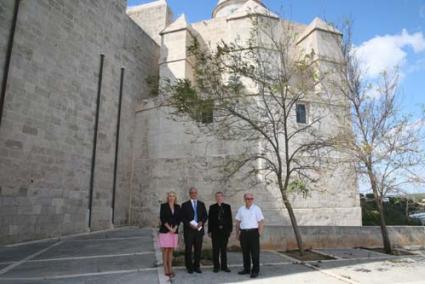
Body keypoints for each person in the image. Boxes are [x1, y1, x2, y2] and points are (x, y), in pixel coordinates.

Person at [235, 193, 264, 279]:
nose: (250, 200)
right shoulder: (241, 209)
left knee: (255, 253)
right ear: (244, 199)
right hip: (243, 233)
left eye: (251, 198)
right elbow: (237, 222)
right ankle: (246, 269)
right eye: (248, 198)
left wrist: (259, 233)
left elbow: (261, 222)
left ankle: (255, 270)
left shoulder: (257, 209)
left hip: (253, 233)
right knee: (245, 252)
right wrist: (237, 234)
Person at [181, 187, 208, 274]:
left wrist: (201, 222)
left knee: (198, 249)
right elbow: (183, 218)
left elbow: (205, 216)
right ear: (190, 194)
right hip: (189, 230)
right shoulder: (185, 205)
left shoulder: (201, 204)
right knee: (188, 249)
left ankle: (197, 266)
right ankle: (189, 267)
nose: (194, 194)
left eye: (195, 192)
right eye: (192, 193)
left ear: (197, 193)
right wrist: (189, 224)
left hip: (199, 230)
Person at [208, 191, 233, 273]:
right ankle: (216, 267)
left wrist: (230, 230)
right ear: (215, 198)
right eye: (217, 196)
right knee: (215, 250)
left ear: (223, 197)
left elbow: (230, 219)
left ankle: (224, 266)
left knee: (223, 250)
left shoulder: (227, 207)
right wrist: (209, 231)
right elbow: (210, 220)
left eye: (220, 196)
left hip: (225, 232)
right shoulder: (212, 207)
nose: (219, 198)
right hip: (215, 231)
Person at [158, 191, 181, 278]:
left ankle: (170, 268)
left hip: (174, 231)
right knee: (165, 250)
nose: (171, 198)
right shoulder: (163, 206)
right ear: (167, 198)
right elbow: (162, 218)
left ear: (175, 198)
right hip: (165, 231)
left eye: (173, 196)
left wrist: (175, 228)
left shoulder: (178, 207)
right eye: (170, 196)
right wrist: (170, 228)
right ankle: (165, 268)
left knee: (171, 250)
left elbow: (179, 218)